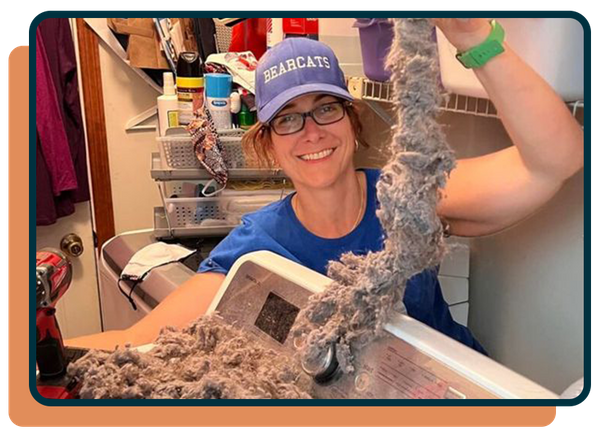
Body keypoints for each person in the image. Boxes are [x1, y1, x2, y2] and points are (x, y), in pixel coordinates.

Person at [67, 18, 583, 351]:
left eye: (325, 109)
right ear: (268, 144)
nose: (311, 131)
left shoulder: (406, 197)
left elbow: (555, 160)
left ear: (352, 123)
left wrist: (472, 38)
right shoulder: (258, 252)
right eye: (287, 119)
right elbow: (136, 343)